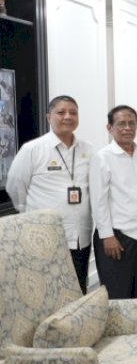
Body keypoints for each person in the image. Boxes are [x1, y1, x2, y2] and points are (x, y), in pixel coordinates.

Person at [7, 96, 94, 293]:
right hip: (45, 236)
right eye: (61, 112)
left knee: (78, 288)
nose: (68, 116)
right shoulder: (32, 150)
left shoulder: (88, 150)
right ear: (49, 117)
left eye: (73, 112)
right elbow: (15, 186)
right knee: (48, 290)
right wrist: (28, 213)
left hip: (80, 236)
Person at [90, 105, 137, 299]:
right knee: (118, 295)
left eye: (132, 123)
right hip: (118, 236)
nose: (128, 128)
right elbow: (98, 201)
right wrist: (107, 236)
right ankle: (120, 332)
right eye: (121, 124)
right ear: (109, 128)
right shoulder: (102, 158)